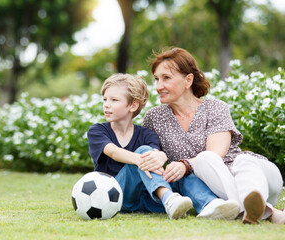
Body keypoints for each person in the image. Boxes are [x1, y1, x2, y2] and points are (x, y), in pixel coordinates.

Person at [142, 47, 285, 224]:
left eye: (166, 78)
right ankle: (265, 212)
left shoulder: (216, 107)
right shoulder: (154, 117)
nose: (158, 86)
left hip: (259, 176)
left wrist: (185, 165)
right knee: (203, 162)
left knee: (229, 160)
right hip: (220, 191)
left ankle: (259, 207)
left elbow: (216, 153)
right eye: (156, 79)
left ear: (188, 80)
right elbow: (149, 151)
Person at [87, 73, 240, 220]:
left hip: (149, 197)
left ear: (133, 105)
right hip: (118, 195)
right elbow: (113, 152)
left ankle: (210, 204)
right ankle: (169, 198)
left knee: (180, 172)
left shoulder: (147, 134)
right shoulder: (98, 131)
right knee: (144, 154)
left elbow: (156, 154)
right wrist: (142, 160)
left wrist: (162, 156)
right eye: (105, 99)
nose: (106, 105)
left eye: (114, 100)